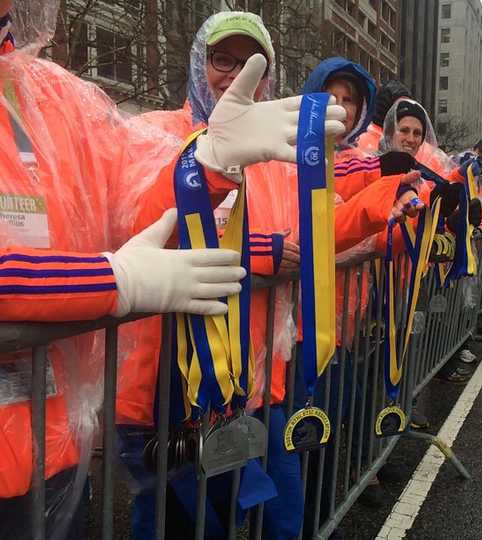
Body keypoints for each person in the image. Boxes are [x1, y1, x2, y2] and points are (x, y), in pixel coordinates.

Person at [0, 3, 349, 539]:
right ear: (196, 62)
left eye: (250, 62)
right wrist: (117, 280)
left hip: (71, 435)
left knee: (249, 518)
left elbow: (134, 211)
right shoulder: (144, 127)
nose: (235, 74)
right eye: (221, 58)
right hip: (159, 388)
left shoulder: (53, 93)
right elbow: (132, 234)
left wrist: (207, 166)